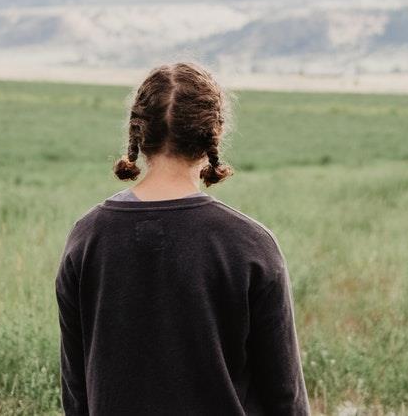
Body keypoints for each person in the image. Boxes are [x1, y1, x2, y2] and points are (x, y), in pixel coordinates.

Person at [54, 61, 310, 415]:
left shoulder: (87, 238)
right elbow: (286, 396)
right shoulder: (249, 245)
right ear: (213, 134)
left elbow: (75, 388)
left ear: (137, 133)